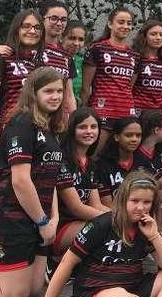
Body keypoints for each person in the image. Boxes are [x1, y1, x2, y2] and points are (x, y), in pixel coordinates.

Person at [0, 67, 64, 297]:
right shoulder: (22, 123)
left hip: (36, 219)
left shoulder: (51, 128)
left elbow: (50, 179)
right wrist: (43, 222)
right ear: (34, 93)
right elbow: (21, 181)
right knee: (16, 294)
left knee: (34, 289)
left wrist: (53, 218)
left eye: (60, 91)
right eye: (49, 91)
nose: (56, 96)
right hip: (10, 219)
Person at [43, 172, 162, 297]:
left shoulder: (147, 225)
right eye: (135, 201)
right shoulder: (102, 224)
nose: (140, 207)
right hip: (98, 289)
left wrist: (154, 236)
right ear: (123, 200)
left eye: (146, 202)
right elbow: (66, 263)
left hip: (134, 285)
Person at [0, 9, 45, 228]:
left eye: (36, 27)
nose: (32, 31)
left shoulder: (38, 63)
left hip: (22, 138)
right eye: (26, 26)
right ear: (16, 28)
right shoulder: (0, 56)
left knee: (11, 195)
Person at [55, 108, 110, 256]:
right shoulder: (63, 159)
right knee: (105, 230)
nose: (89, 131)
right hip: (61, 226)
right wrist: (112, 220)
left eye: (93, 127)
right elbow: (76, 208)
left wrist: (122, 216)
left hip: (84, 222)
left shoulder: (91, 163)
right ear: (72, 129)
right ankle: (54, 264)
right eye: (82, 127)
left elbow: (96, 204)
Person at [81, 6, 137, 132]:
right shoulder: (97, 49)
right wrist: (84, 114)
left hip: (126, 112)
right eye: (121, 22)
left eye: (129, 23)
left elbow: (129, 87)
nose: (126, 26)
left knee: (124, 151)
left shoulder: (134, 55)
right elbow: (85, 88)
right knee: (95, 152)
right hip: (102, 111)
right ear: (110, 24)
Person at [95, 116, 156, 205]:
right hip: (113, 215)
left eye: (138, 135)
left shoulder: (144, 161)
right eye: (129, 135)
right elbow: (107, 205)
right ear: (116, 137)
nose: (134, 139)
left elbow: (152, 196)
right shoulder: (102, 165)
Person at [132, 19, 162, 116]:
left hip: (157, 113)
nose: (158, 38)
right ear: (144, 36)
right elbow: (129, 88)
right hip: (138, 112)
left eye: (161, 35)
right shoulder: (136, 58)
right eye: (153, 34)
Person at [62, 20, 88, 104]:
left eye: (81, 39)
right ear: (61, 37)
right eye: (72, 38)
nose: (76, 43)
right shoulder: (54, 58)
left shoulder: (82, 62)